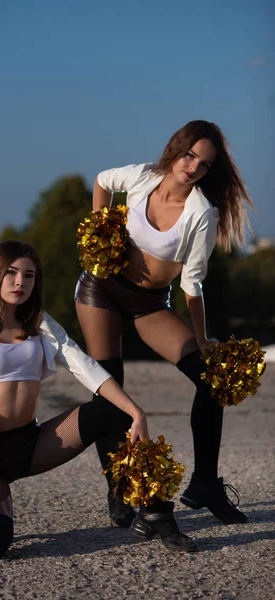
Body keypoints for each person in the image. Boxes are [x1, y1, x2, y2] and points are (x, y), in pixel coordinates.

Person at [0, 240, 197, 561]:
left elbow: (86, 368)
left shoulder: (40, 325)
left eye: (28, 275)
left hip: (34, 445)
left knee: (115, 411)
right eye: (11, 273)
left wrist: (135, 411)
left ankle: (154, 513)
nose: (19, 282)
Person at [75, 120, 254, 530]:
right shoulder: (142, 177)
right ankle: (119, 486)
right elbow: (102, 180)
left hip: (150, 303)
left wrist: (203, 337)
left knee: (211, 381)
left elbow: (192, 283)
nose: (192, 167)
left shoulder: (202, 213)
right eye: (190, 155)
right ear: (177, 149)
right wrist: (102, 229)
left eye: (204, 164)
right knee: (110, 387)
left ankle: (205, 484)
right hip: (101, 288)